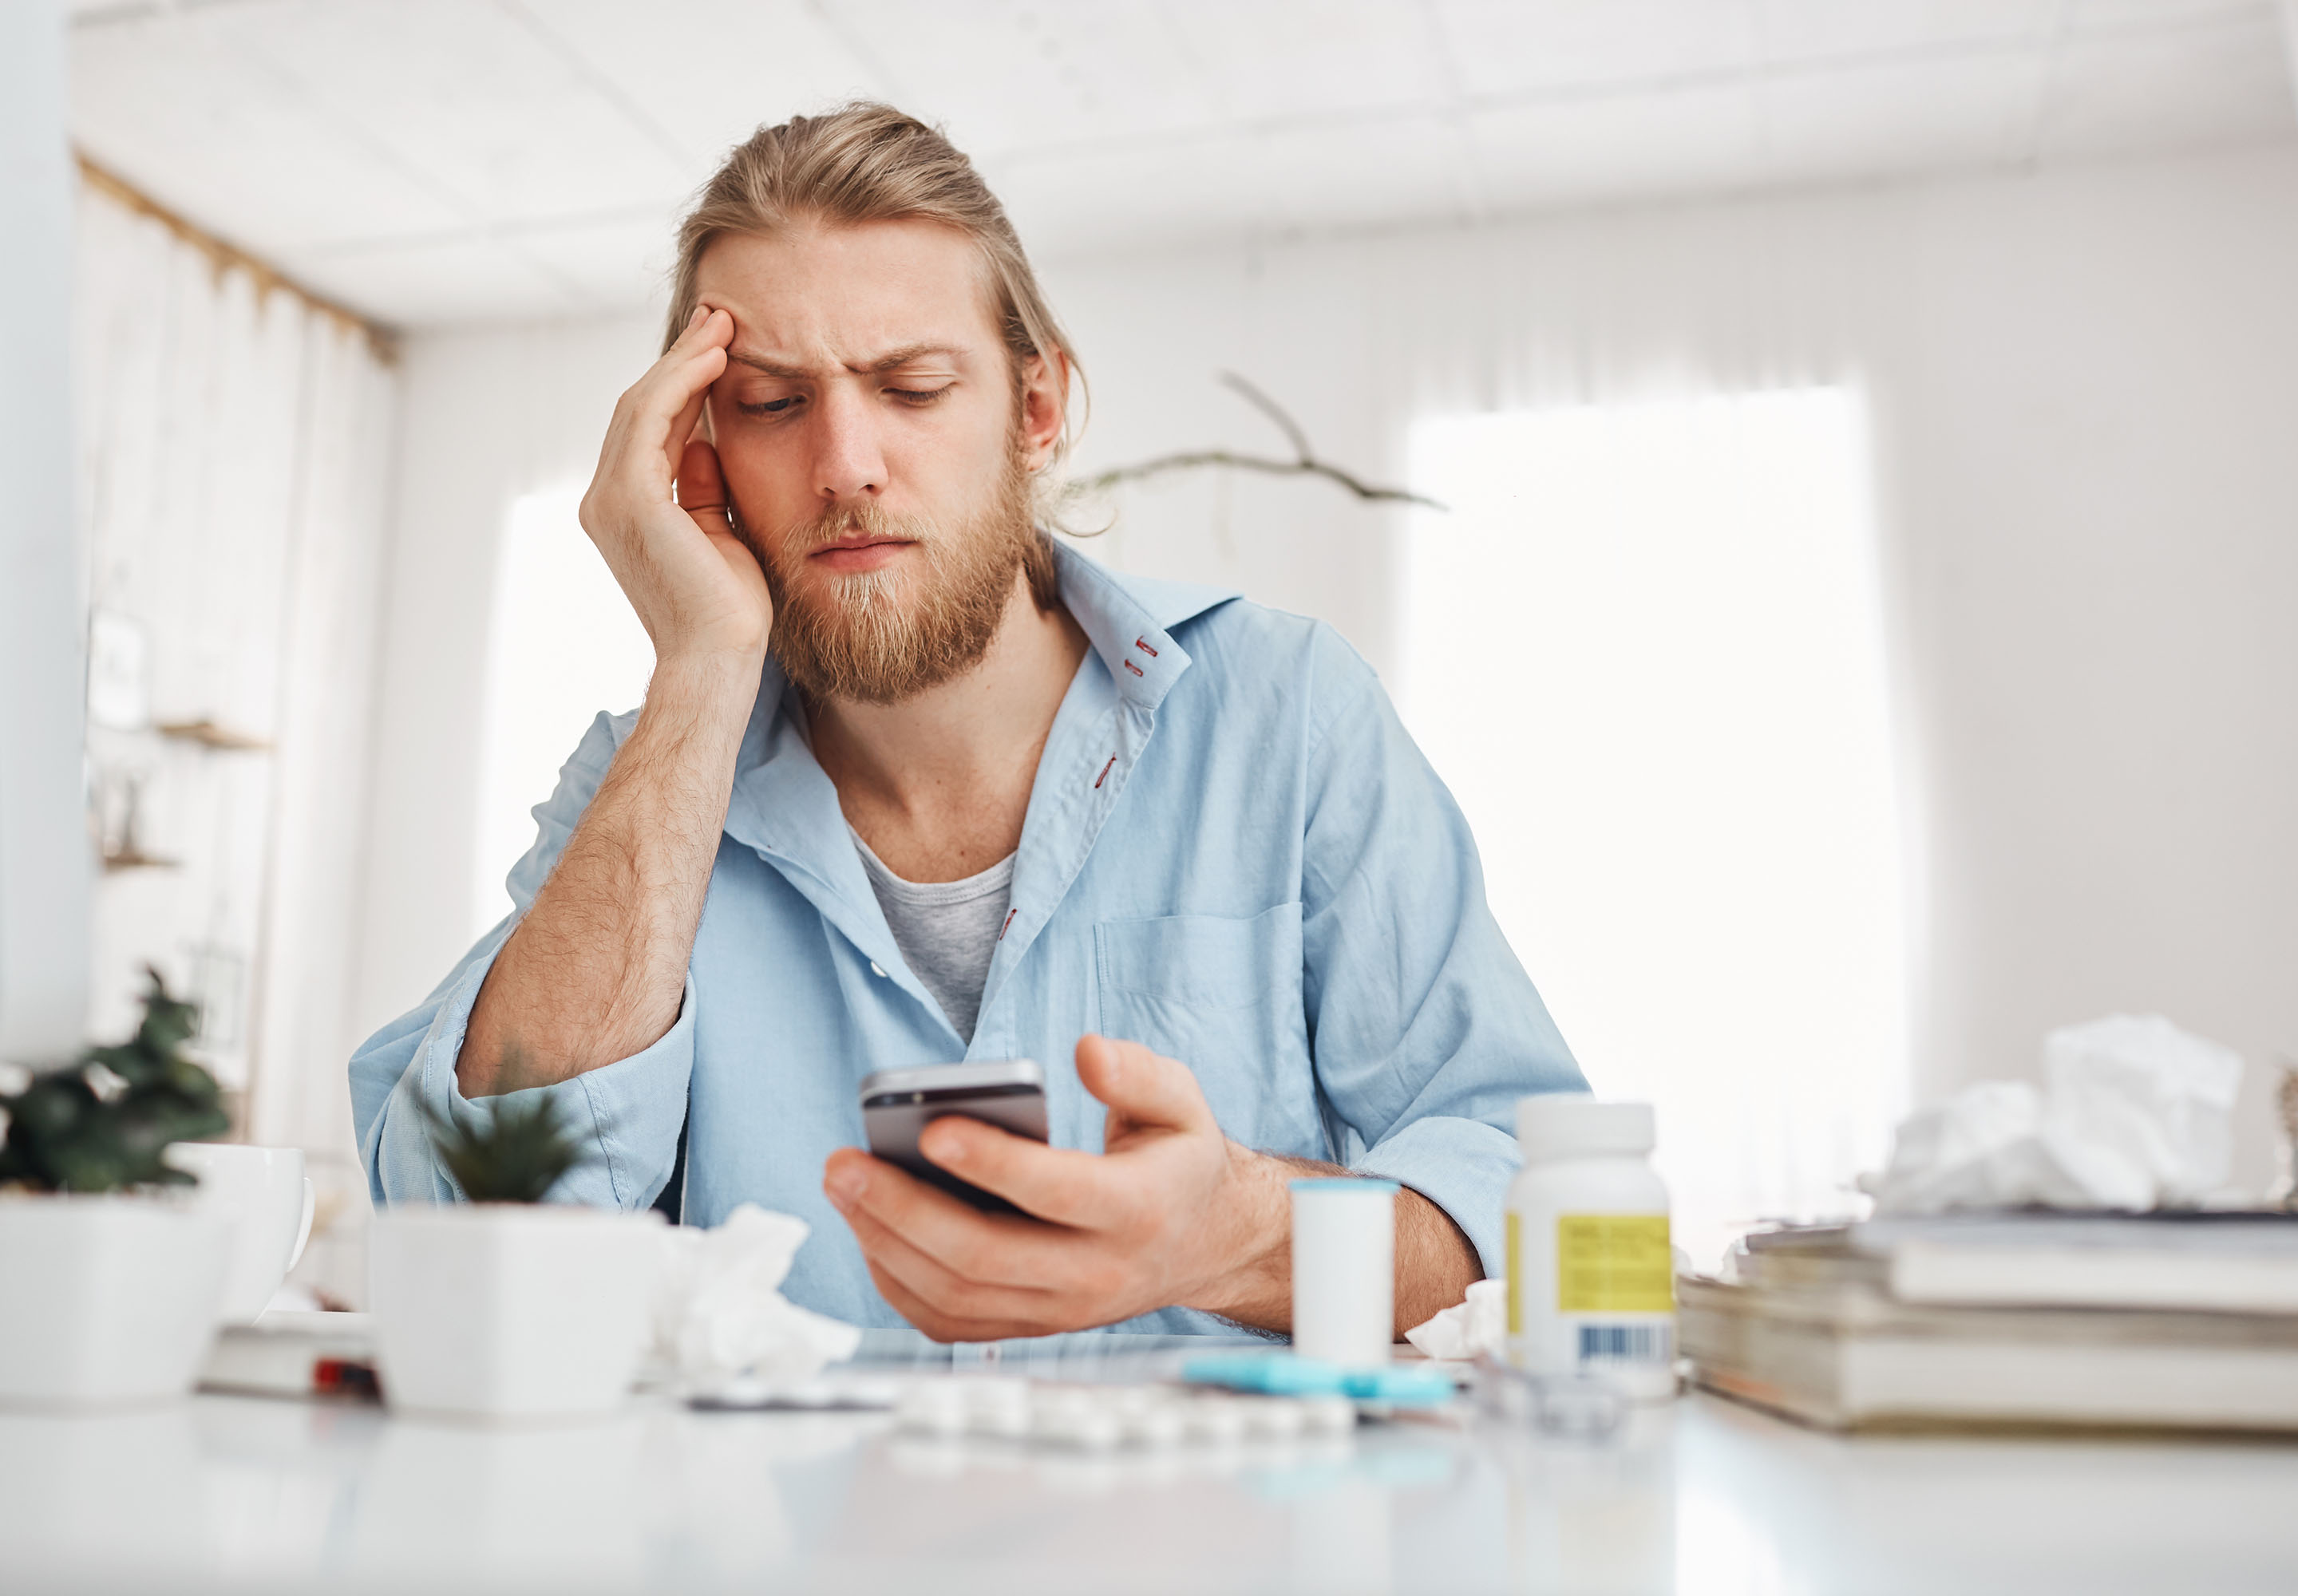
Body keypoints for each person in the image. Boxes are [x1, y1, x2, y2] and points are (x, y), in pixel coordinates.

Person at [350, 102, 1585, 1341]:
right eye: (774, 403)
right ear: (697, 453)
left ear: (1037, 409)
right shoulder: (651, 779)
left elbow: (1554, 1217)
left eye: (913, 386)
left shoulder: (1284, 715)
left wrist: (1240, 1236)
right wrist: (701, 673)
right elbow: (462, 1226)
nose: (846, 463)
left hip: (1215, 1531)